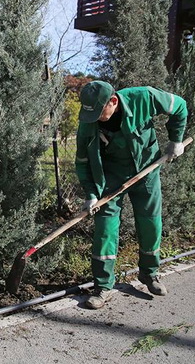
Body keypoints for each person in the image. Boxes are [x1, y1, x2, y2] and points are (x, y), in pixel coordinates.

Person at [75, 81, 187, 309]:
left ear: (113, 101)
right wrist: (91, 193)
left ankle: (149, 274)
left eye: (99, 112)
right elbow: (83, 162)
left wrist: (176, 140)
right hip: (110, 176)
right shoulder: (88, 122)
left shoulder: (143, 97)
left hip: (146, 169)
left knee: (150, 223)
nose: (95, 118)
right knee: (105, 229)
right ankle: (103, 286)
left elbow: (180, 106)